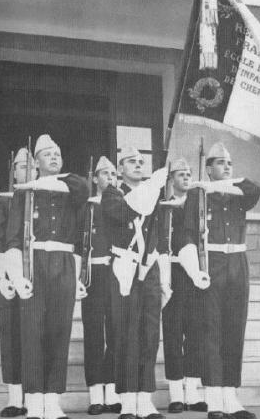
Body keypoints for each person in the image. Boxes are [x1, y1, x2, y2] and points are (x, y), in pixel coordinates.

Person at [5, 134, 89, 419]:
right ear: (36, 162)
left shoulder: (71, 191)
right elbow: (14, 240)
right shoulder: (25, 193)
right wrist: (17, 276)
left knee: (59, 332)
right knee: (32, 333)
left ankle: (53, 399)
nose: (54, 157)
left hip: (64, 264)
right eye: (48, 154)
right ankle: (35, 399)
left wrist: (77, 276)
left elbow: (84, 190)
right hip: (34, 263)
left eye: (58, 153)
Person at [182, 142, 260, 419]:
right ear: (208, 168)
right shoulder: (197, 196)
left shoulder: (239, 193)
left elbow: (254, 189)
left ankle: (231, 398)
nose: (227, 167)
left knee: (234, 330)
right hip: (211, 264)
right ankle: (214, 398)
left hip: (238, 265)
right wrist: (194, 270)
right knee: (211, 331)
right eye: (220, 163)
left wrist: (219, 185)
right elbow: (188, 235)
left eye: (230, 163)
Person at [101, 146, 170, 419]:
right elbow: (123, 213)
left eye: (142, 161)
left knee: (149, 334)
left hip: (149, 268)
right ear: (120, 169)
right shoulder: (112, 194)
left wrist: (164, 276)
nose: (139, 164)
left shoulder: (153, 193)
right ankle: (128, 399)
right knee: (125, 334)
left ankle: (145, 398)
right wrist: (154, 184)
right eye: (132, 161)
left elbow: (161, 235)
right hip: (124, 268)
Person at [0, 148, 33, 417]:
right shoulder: (4, 200)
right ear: (13, 171)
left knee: (35, 337)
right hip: (9, 279)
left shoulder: (42, 198)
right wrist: (1, 278)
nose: (29, 171)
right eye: (22, 167)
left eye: (32, 167)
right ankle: (15, 398)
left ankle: (35, 394)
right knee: (12, 336)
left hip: (37, 277)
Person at [160, 158, 207, 413]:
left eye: (189, 174)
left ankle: (193, 391)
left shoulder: (198, 205)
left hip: (195, 274)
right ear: (171, 179)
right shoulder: (164, 205)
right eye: (181, 174)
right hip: (172, 273)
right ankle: (176, 393)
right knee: (173, 332)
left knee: (195, 333)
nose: (186, 177)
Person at [81, 156, 121, 415]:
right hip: (94, 274)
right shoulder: (86, 207)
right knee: (94, 334)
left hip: (118, 273)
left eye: (114, 174)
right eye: (105, 174)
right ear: (95, 178)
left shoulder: (120, 205)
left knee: (117, 332)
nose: (111, 178)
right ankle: (96, 394)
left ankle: (113, 391)